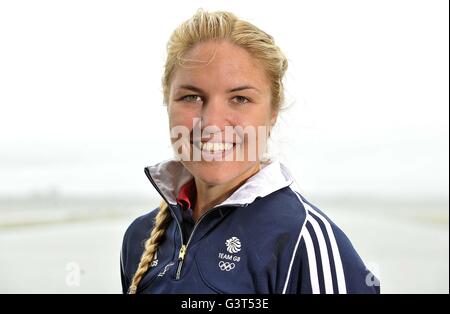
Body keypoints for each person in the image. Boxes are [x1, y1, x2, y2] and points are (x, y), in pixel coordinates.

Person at [120, 9, 380, 294]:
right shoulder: (139, 239)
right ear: (167, 101)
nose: (211, 123)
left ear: (272, 112)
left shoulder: (301, 241)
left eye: (240, 98)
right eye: (191, 97)